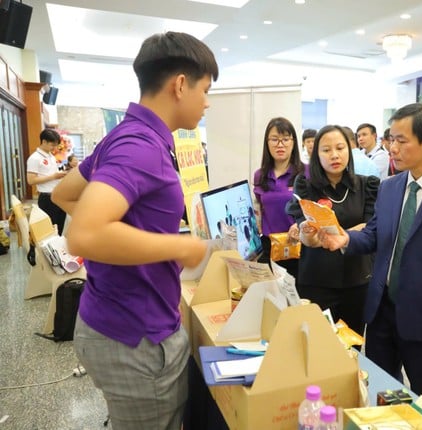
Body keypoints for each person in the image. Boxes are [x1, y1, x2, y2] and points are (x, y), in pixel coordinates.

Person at [51, 31, 218, 429]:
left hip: (111, 316)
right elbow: (84, 235)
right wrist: (175, 248)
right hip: (135, 335)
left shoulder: (125, 135)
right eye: (206, 89)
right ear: (181, 84)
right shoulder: (140, 146)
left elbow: (65, 195)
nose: (207, 102)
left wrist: (123, 236)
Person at [309, 104, 422, 409]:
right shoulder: (390, 187)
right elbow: (375, 234)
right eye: (391, 139)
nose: (393, 147)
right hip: (381, 312)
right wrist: (345, 239)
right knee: (382, 391)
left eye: (402, 140)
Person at [286, 125, 379, 334]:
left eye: (340, 148)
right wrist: (307, 235)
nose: (334, 155)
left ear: (350, 149)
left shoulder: (367, 185)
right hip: (316, 280)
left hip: (357, 280)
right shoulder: (305, 186)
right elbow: (304, 230)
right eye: (326, 150)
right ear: (316, 154)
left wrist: (330, 235)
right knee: (317, 343)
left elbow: (370, 227)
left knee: (352, 343)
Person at [253, 117, 306, 278]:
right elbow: (258, 210)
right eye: (275, 139)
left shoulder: (306, 172)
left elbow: (316, 209)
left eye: (285, 139)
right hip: (270, 248)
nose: (280, 144)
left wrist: (300, 224)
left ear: (293, 142)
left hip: (299, 248)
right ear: (267, 143)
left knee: (298, 300)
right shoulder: (260, 175)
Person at [26, 128, 68, 235]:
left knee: (58, 229)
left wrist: (60, 175)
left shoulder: (51, 156)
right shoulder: (34, 158)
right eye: (52, 145)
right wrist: (54, 176)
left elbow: (51, 174)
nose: (54, 148)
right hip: (47, 199)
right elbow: (31, 180)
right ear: (44, 141)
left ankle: (56, 250)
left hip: (57, 196)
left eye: (56, 145)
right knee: (49, 231)